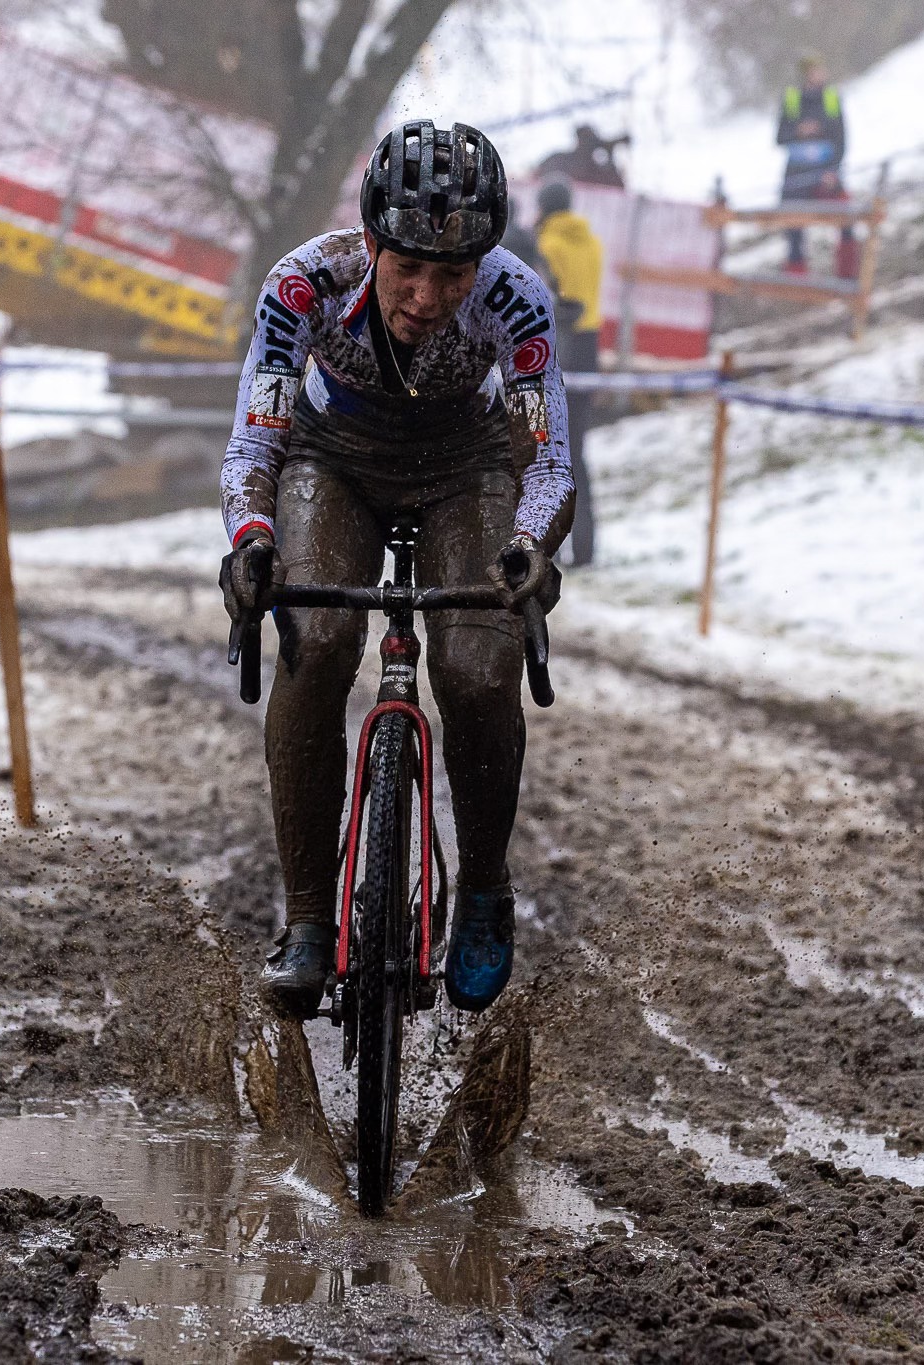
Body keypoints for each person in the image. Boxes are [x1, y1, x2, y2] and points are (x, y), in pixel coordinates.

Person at [220, 121, 574, 1019]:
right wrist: (253, 536)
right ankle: (307, 921)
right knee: (318, 634)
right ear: (369, 243)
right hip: (331, 457)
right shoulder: (303, 283)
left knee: (477, 662)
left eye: (453, 276)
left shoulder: (518, 299)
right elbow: (257, 433)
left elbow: (548, 460)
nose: (426, 295)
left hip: (467, 464)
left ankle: (486, 889)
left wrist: (533, 543)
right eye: (407, 268)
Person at [533, 180, 601, 566]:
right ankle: (586, 548)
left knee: (548, 454)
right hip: (589, 352)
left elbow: (556, 302)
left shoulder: (547, 246)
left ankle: (550, 546)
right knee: (578, 453)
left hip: (560, 351)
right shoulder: (593, 244)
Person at [775, 55, 859, 279]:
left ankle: (848, 277)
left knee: (845, 217)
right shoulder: (792, 98)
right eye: (815, 69)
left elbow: (841, 139)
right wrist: (798, 131)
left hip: (826, 173)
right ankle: (796, 279)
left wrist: (833, 170)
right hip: (796, 176)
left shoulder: (831, 97)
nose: (820, 73)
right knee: (793, 227)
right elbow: (780, 137)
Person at [535, 124, 628, 189]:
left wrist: (610, 153)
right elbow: (535, 178)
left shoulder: (597, 172)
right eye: (585, 141)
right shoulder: (559, 160)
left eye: (590, 142)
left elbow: (617, 189)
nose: (587, 146)